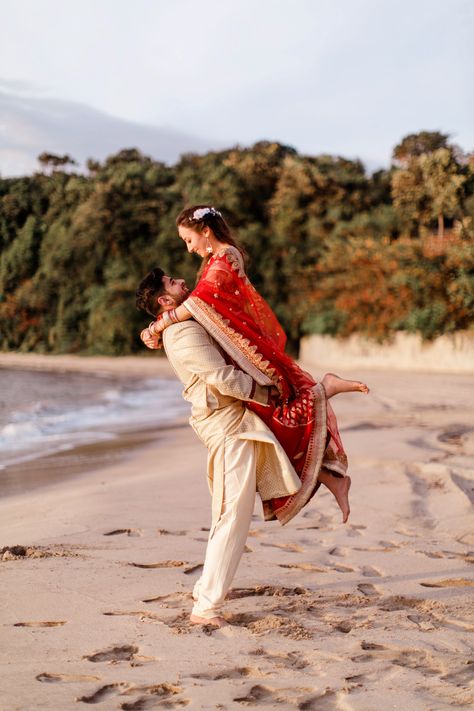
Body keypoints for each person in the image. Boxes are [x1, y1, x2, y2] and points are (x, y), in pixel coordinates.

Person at [135, 269, 358, 627]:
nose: (181, 282)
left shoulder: (182, 320)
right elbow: (220, 377)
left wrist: (152, 329)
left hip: (234, 421)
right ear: (164, 300)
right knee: (232, 514)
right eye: (173, 283)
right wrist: (264, 392)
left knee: (228, 511)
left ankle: (205, 591)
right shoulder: (181, 331)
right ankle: (206, 607)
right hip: (227, 426)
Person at [141, 205, 369, 526]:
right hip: (240, 351)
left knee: (281, 415)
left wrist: (156, 326)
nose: (187, 248)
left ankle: (325, 389)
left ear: (205, 231)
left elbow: (199, 302)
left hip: (251, 352)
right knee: (277, 428)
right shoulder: (211, 262)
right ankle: (334, 480)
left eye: (188, 239)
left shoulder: (227, 257)